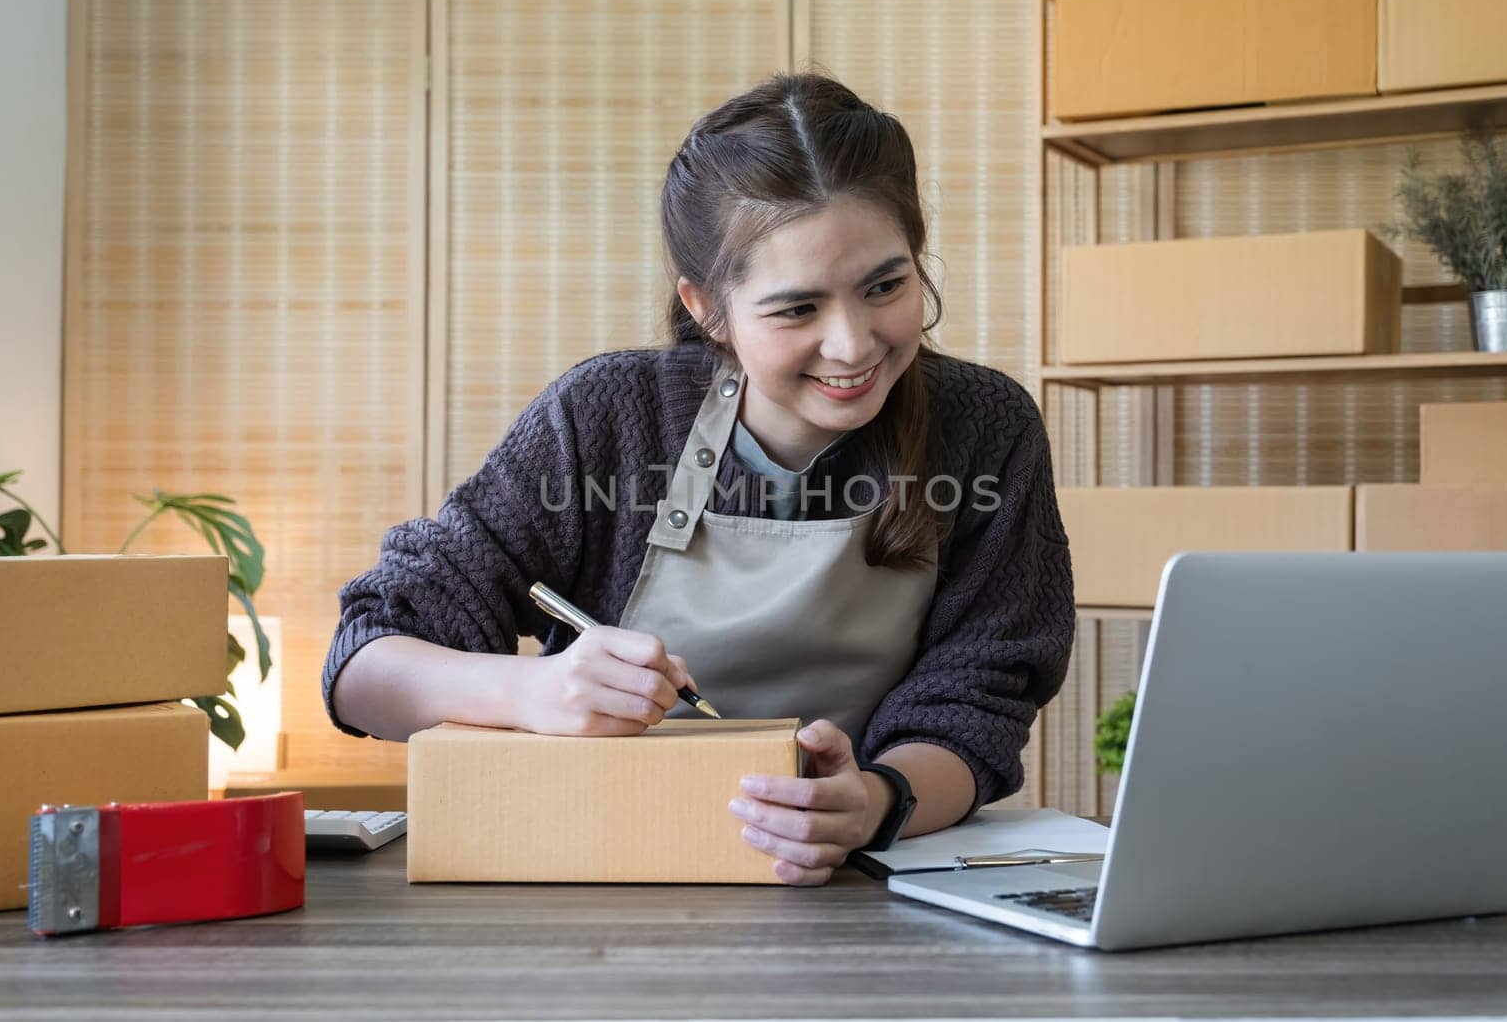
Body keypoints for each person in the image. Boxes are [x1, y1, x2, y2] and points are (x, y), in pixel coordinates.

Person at [323, 70, 1076, 886]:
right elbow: (364, 663)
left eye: (885, 287)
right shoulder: (606, 417)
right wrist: (533, 689)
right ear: (706, 305)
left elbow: (980, 697)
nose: (854, 345)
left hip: (863, 877)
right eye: (797, 309)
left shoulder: (986, 428)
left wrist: (878, 799)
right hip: (603, 872)